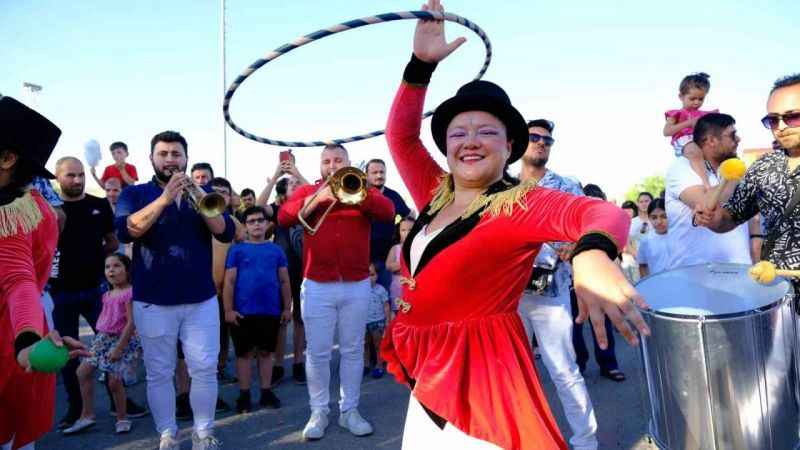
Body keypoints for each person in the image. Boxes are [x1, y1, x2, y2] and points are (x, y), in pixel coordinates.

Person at [380, 3, 649, 448]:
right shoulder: (434, 190)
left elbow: (601, 213)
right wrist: (420, 68)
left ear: (509, 147)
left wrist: (592, 253)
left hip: (484, 378)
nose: (469, 141)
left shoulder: (519, 204)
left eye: (486, 132)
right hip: (429, 373)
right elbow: (400, 136)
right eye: (458, 132)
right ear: (446, 146)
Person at [116, 130, 235, 450]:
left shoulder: (205, 193)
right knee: (159, 373)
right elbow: (128, 231)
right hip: (153, 300)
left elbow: (224, 232)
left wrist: (199, 198)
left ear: (186, 157)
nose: (170, 159)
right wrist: (166, 198)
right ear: (152, 158)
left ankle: (203, 432)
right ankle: (168, 433)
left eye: (176, 154)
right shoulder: (135, 194)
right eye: (164, 154)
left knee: (204, 370)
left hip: (200, 299)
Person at [278, 144, 395, 440]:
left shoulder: (363, 187)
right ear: (320, 165)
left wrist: (362, 195)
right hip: (317, 283)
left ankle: (349, 410)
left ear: (348, 162)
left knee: (353, 349)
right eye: (327, 161)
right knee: (317, 353)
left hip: (355, 283)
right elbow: (284, 216)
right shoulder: (309, 191)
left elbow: (388, 211)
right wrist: (320, 197)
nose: (332, 166)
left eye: (338, 160)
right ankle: (319, 411)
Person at [0, 95, 87, 450]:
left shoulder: (16, 216)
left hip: (14, 336)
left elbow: (18, 282)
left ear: (7, 159)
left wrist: (25, 343)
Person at [516, 118, 599, 449]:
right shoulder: (501, 186)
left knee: (564, 371)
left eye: (547, 141)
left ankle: (586, 442)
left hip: (551, 294)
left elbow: (588, 224)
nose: (540, 143)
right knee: (514, 375)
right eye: (533, 137)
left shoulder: (566, 186)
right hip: (509, 295)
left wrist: (575, 242)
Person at [51, 156, 146, 428]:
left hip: (97, 290)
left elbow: (112, 241)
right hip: (62, 293)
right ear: (58, 177)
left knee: (112, 346)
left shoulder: (98, 205)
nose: (78, 180)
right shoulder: (49, 209)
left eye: (81, 174)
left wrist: (96, 262)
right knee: (68, 355)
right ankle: (76, 408)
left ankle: (123, 405)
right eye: (71, 175)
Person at [695, 74, 800, 297]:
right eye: (773, 120)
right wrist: (715, 219)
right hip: (778, 294)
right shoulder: (763, 166)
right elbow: (731, 217)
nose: (780, 127)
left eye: (793, 117)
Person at [223, 206, 292, 414]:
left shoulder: (276, 250)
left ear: (267, 224)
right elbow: (229, 282)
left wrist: (287, 307)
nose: (256, 224)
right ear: (245, 226)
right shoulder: (237, 250)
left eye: (260, 220)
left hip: (269, 311)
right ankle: (244, 394)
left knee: (266, 353)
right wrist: (228, 310)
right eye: (251, 221)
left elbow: (284, 280)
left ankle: (266, 391)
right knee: (243, 354)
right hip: (243, 312)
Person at [64, 254, 142, 435]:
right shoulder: (106, 293)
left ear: (127, 270)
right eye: (107, 267)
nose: (111, 270)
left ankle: (122, 417)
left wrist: (119, 348)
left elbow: (131, 323)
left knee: (114, 382)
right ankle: (87, 415)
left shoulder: (129, 293)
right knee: (82, 372)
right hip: (103, 338)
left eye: (117, 266)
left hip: (121, 339)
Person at [664, 113, 752, 270]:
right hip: (693, 276)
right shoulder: (682, 167)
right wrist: (735, 175)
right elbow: (706, 204)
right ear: (711, 140)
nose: (738, 139)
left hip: (739, 273)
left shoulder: (733, 168)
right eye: (732, 135)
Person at [573, 185, 624, 382]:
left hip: (601, 282)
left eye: (597, 200)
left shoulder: (608, 224)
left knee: (603, 323)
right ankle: (578, 364)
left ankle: (609, 364)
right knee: (574, 326)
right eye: (588, 200)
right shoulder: (570, 222)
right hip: (572, 283)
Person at [266, 175, 307, 385]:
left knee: (301, 319)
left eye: (298, 183)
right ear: (283, 191)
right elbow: (257, 208)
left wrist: (297, 172)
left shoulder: (310, 202)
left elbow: (313, 190)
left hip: (305, 269)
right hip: (282, 271)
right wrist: (275, 176)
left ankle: (299, 362)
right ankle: (278, 364)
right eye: (291, 184)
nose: (297, 185)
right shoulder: (277, 207)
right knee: (281, 320)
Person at [663, 73, 718, 190]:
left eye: (701, 99)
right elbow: (667, 132)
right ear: (681, 96)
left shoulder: (703, 114)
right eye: (692, 98)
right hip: (683, 140)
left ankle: (718, 179)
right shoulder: (676, 114)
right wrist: (689, 123)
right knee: (694, 151)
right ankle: (706, 183)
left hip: (700, 140)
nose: (696, 102)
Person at [366, 158, 413, 294]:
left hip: (387, 259)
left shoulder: (394, 196)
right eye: (374, 172)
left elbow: (409, 217)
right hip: (363, 261)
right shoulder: (358, 195)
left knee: (385, 298)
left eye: (382, 172)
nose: (379, 176)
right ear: (366, 175)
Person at [363, 263, 391, 379]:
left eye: (372, 275)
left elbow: (386, 306)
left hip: (377, 322)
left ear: (377, 276)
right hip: (364, 322)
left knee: (378, 345)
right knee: (365, 345)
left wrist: (388, 320)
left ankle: (379, 365)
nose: (369, 278)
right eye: (366, 275)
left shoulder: (381, 290)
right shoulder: (360, 291)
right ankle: (366, 364)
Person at [386, 217, 415, 315]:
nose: (406, 233)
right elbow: (389, 266)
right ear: (399, 232)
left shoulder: (419, 247)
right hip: (398, 287)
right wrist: (404, 264)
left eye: (410, 230)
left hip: (414, 287)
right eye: (403, 230)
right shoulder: (396, 248)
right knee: (399, 314)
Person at [638, 199, 670, 278]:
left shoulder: (679, 235)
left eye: (664, 216)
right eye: (654, 218)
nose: (659, 221)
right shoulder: (646, 240)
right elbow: (643, 265)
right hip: (657, 284)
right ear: (649, 218)